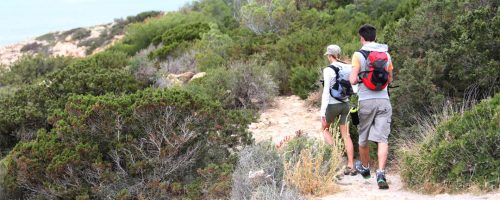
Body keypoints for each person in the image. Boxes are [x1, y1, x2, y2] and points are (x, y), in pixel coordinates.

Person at [349, 24, 393, 189]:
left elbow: (353, 80)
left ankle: (366, 168)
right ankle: (381, 173)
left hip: (366, 101)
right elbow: (390, 80)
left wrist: (360, 79)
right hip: (384, 100)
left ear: (362, 38)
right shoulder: (386, 55)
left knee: (363, 139)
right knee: (382, 139)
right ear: (375, 37)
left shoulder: (358, 55)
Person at [320, 44, 356, 176]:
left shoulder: (328, 70)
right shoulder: (348, 66)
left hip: (332, 105)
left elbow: (325, 92)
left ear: (330, 56)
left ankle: (336, 159)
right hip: (345, 104)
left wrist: (322, 112)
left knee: (325, 129)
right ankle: (351, 165)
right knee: (346, 135)